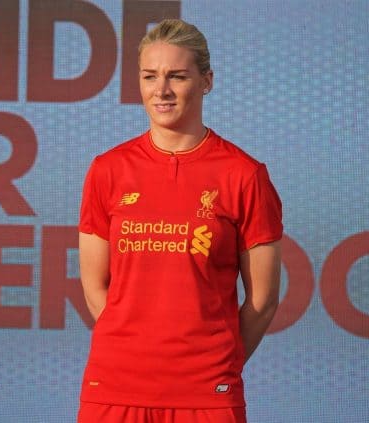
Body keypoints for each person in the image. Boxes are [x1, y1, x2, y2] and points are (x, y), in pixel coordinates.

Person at [77, 18, 283, 423]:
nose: (162, 90)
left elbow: (262, 301)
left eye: (177, 76)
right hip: (114, 387)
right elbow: (93, 284)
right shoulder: (107, 170)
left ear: (206, 81)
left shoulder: (244, 175)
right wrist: (135, 350)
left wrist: (213, 364)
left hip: (206, 395)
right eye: (150, 76)